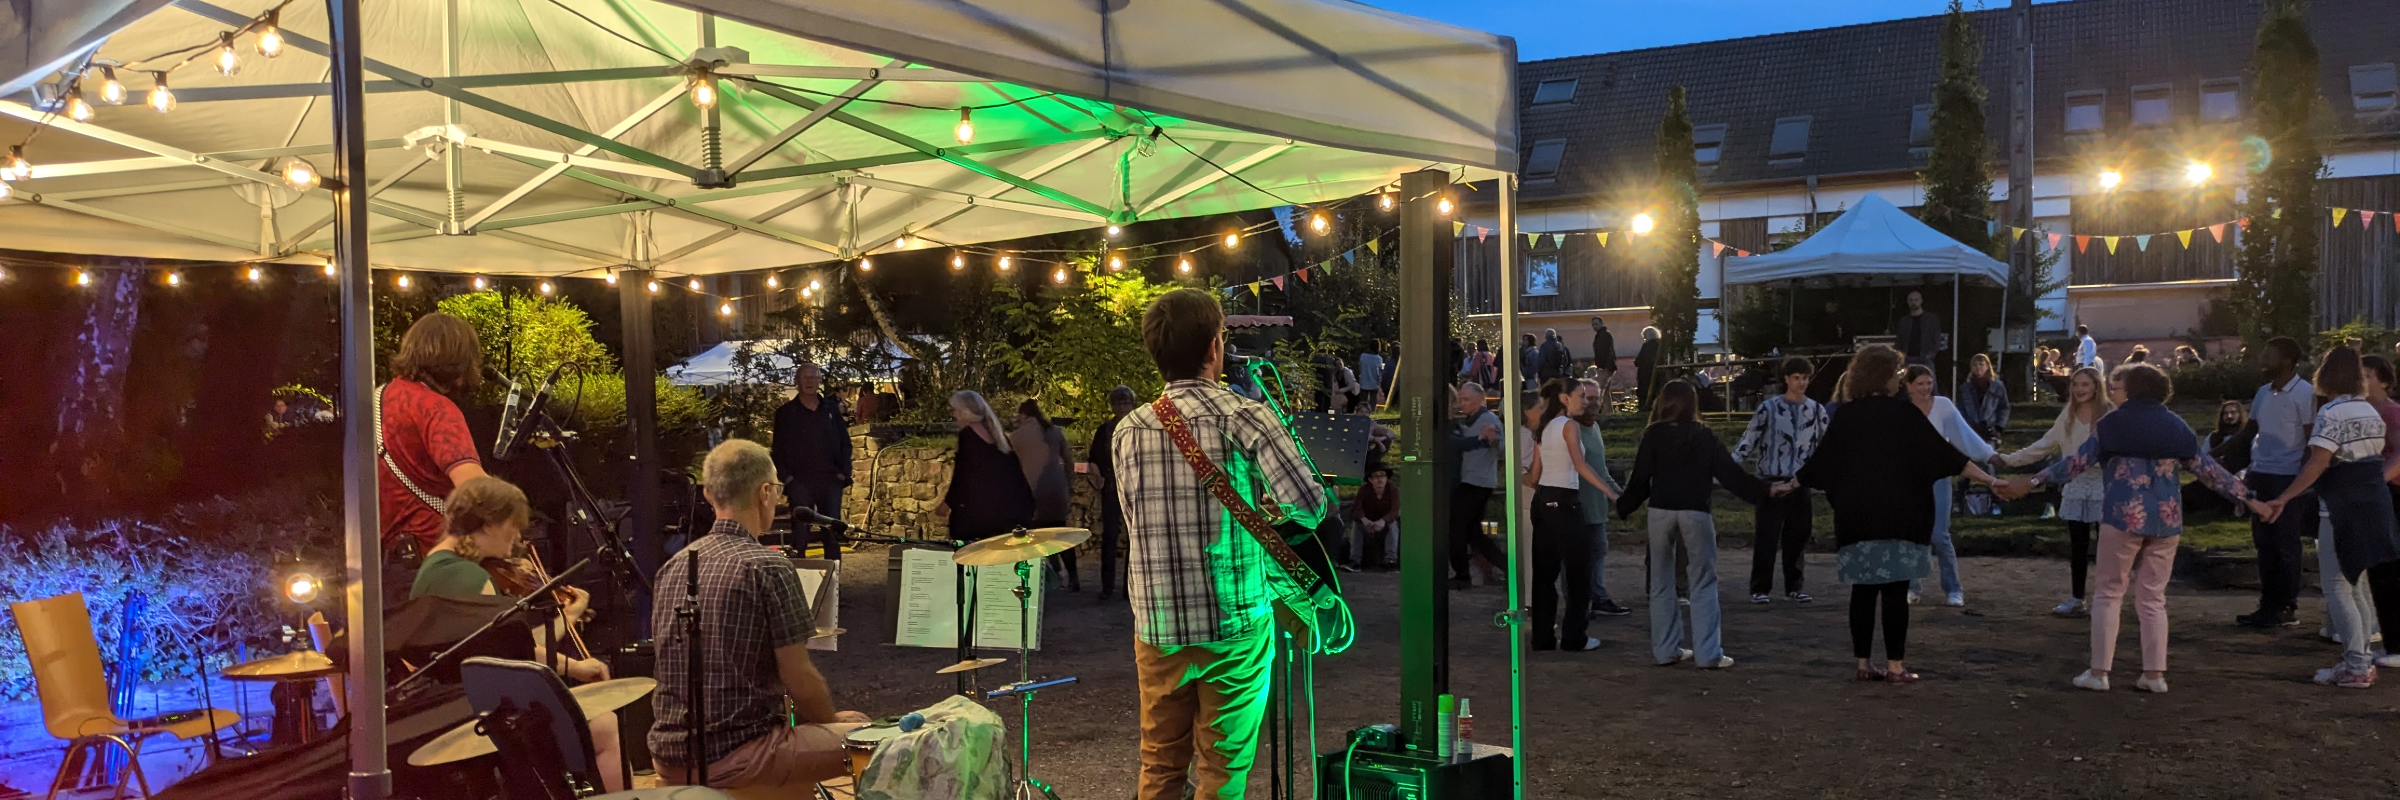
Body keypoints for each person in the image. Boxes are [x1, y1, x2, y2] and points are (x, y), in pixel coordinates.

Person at [1112, 289, 1327, 800]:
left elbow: (1134, 519)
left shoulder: (1128, 429)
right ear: (1214, 347)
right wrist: (1264, 512)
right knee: (1222, 773)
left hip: (1159, 624)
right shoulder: (1245, 416)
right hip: (1233, 622)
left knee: (1161, 767)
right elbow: (1310, 505)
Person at [1995, 364, 2271, 694]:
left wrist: (2032, 481)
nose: (2111, 391)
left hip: (2123, 516)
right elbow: (2211, 472)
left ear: (2134, 389)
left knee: (2109, 593)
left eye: (2116, 385)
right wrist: (2253, 501)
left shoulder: (2111, 424)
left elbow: (2075, 464)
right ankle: (2154, 675)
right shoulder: (2176, 425)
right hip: (2167, 520)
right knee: (2153, 598)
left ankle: (2100, 672)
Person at [652, 440, 870, 792]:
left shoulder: (673, 567)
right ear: (765, 492)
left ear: (709, 495)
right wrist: (829, 722)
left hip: (668, 753)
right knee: (873, 740)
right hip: (737, 754)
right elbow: (800, 678)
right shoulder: (767, 565)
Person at [1798, 346, 1999, 683]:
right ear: (1886, 376)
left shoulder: (1847, 416)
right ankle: (1895, 666)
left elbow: (1821, 464)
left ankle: (1863, 664)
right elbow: (1945, 455)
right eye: (1897, 372)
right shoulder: (1905, 415)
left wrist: (1788, 484)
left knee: (1862, 593)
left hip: (1857, 519)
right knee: (1894, 593)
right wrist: (1991, 479)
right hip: (1900, 517)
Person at [414, 476, 623, 792]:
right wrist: (576, 667)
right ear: (488, 525)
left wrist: (569, 620)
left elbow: (512, 645)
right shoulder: (467, 577)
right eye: (513, 525)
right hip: (481, 719)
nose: (516, 538)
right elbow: (508, 660)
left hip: (461, 711)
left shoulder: (436, 566)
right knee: (605, 726)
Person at [2258, 348, 2400, 688]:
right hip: (2373, 504)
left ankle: (2356, 665)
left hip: (2340, 506)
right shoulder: (2369, 411)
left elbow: (2318, 462)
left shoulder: (2332, 413)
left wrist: (2285, 496)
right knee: (2358, 584)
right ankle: (2361, 658)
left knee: (2338, 586)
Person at [1617, 379, 1769, 668]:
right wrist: (1764, 492)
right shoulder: (1703, 435)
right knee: (1702, 581)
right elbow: (1730, 474)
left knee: (1661, 582)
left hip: (1660, 510)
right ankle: (1708, 653)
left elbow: (1640, 479)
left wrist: (1623, 506)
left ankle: (1665, 650)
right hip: (1695, 511)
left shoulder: (1653, 435)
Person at [378, 312, 491, 608]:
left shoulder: (376, 400)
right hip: (439, 564)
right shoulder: (436, 408)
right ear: (458, 360)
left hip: (383, 564)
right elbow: (474, 488)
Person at [2001, 367, 2112, 616]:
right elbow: (2045, 444)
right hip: (2075, 484)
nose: (2080, 389)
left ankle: (2106, 599)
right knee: (2078, 545)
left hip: (2104, 485)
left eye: (2085, 384)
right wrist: (2011, 459)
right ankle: (2077, 598)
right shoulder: (2068, 416)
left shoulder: (2110, 415)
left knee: (2107, 547)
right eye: (2076, 384)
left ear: (2096, 386)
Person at [1522, 378, 1618, 652]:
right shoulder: (1568, 426)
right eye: (1580, 396)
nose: (1585, 401)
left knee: (1544, 574)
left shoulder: (1543, 428)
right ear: (1565, 398)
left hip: (1543, 501)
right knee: (1578, 575)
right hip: (1565, 502)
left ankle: (1542, 637)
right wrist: (1609, 492)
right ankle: (1575, 637)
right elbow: (1580, 465)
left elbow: (1535, 474)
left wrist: (1518, 474)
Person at [1733, 357, 1828, 604]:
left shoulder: (1816, 411)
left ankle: (1794, 586)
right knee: (1767, 536)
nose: (1801, 383)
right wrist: (1730, 466)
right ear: (1786, 379)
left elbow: (1826, 447)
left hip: (1800, 480)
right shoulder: (1768, 408)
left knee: (1798, 536)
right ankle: (1760, 588)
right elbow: (1749, 438)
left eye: (1805, 378)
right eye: (1796, 378)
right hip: (1771, 480)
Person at [2239, 336, 2318, 629]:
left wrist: (2303, 479)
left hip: (2287, 477)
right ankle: (2267, 604)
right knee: (2264, 543)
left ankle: (2287, 606)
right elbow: (2249, 433)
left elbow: (2312, 440)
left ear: (2286, 360)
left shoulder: (2304, 393)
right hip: (2261, 473)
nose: (2263, 361)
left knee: (2285, 544)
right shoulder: (2262, 393)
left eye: (2268, 356)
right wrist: (2215, 456)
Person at [1903, 364, 1995, 606]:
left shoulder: (1942, 406)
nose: (1925, 388)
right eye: (1920, 383)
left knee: (1939, 534)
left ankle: (1953, 588)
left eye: (1928, 382)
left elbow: (1963, 434)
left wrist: (1987, 454)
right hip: (1910, 481)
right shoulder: (1902, 410)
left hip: (1938, 477)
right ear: (1909, 386)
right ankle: (1913, 586)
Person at [771, 363, 854, 563]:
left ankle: (833, 581)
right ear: (797, 381)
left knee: (831, 531)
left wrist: (843, 472)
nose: (809, 382)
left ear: (819, 381)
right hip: (799, 480)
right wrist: (787, 477)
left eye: (813, 377)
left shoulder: (830, 409)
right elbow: (778, 449)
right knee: (800, 532)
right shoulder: (786, 413)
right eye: (805, 377)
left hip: (830, 479)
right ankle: (799, 578)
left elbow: (845, 442)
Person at [936, 391, 1036, 542]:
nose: (954, 414)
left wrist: (948, 503)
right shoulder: (998, 437)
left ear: (965, 412)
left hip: (983, 515)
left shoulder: (969, 436)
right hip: (1010, 511)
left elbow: (963, 476)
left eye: (956, 410)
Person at [1570, 378, 1633, 616]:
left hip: (1596, 505)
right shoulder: (1570, 429)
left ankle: (1597, 597)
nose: (1593, 402)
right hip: (1577, 504)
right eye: (1588, 397)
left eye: (1597, 397)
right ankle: (1581, 602)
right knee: (1577, 558)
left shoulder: (1594, 428)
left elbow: (1601, 468)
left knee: (1598, 551)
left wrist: (1618, 494)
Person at [1446, 382, 1510, 587]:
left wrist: (1492, 440)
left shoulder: (1488, 419)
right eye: (1460, 399)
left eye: (1466, 400)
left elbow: (1501, 447)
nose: (1461, 404)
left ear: (1480, 400)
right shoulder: (1469, 421)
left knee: (1457, 528)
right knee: (1473, 532)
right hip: (1472, 481)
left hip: (1477, 482)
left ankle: (1463, 575)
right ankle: (1507, 569)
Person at [1013, 399, 1078, 590]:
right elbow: (1068, 460)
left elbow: (1010, 466)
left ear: (1023, 415)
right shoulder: (1055, 431)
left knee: (1038, 536)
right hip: (1057, 491)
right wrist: (1068, 484)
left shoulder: (1016, 436)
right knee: (1060, 534)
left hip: (1032, 493)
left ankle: (1055, 574)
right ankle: (1073, 576)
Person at [1087, 386, 1140, 600]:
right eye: (1117, 403)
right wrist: (1097, 475)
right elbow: (1094, 458)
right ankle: (1107, 586)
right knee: (1109, 537)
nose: (1121, 407)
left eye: (1125, 403)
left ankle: (1131, 587)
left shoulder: (1139, 429)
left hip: (1135, 489)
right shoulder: (1105, 430)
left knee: (1134, 539)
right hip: (1110, 489)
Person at [1348, 463, 1400, 568]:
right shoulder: (1364, 490)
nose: (1379, 479)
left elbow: (1395, 511)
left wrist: (1383, 520)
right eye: (1376, 476)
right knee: (1356, 524)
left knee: (1393, 524)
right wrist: (1365, 520)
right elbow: (1355, 510)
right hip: (1368, 526)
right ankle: (1354, 561)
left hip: (1384, 527)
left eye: (1382, 476)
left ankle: (1391, 560)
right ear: (1371, 480)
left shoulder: (1393, 490)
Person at [1957, 353, 2010, 445]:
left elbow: (2004, 408)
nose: (1978, 367)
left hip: (1990, 430)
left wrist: (1998, 427)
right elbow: (1961, 410)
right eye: (1975, 365)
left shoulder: (1997, 386)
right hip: (1971, 431)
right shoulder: (1965, 388)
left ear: (1987, 366)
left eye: (1981, 364)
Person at [1893, 290, 1942, 369]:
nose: (1913, 302)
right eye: (1911, 300)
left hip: (1925, 358)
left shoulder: (1931, 319)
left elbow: (1936, 338)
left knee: (1928, 380)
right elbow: (1899, 340)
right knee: (1908, 380)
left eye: (1916, 300)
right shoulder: (1904, 321)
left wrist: (1931, 354)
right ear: (1907, 302)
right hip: (1907, 358)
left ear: (1921, 301)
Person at [1634, 326, 1662, 411]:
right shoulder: (1660, 345)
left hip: (1645, 372)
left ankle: (1643, 407)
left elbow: (1639, 360)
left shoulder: (1646, 346)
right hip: (1657, 372)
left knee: (1643, 390)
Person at [1357, 343, 1386, 412]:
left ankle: (1361, 411)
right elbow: (1379, 371)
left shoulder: (1363, 356)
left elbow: (1359, 367)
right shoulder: (1378, 358)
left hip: (1364, 380)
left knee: (1363, 399)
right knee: (1373, 400)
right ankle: (1372, 411)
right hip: (1374, 381)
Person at [1590, 317, 1618, 385]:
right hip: (1606, 366)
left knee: (1601, 387)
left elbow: (1605, 352)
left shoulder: (1603, 335)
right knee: (1605, 389)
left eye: (1596, 324)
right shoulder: (1602, 334)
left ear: (1601, 323)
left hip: (1605, 367)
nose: (1594, 326)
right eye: (1593, 325)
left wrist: (1603, 367)